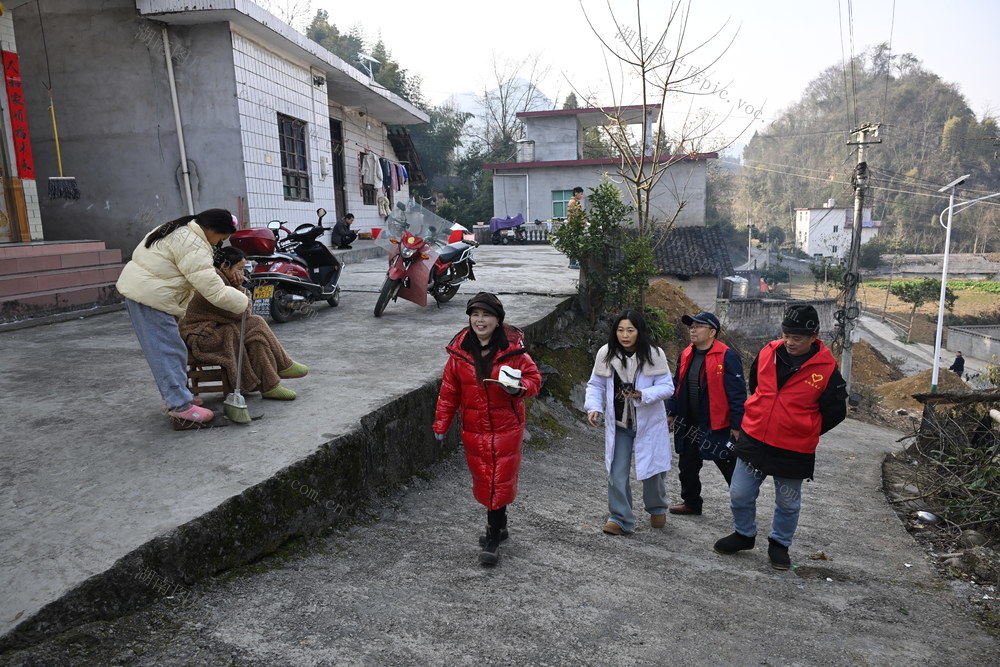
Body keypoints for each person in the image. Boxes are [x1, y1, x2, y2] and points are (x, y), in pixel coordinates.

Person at [713, 304, 847, 570]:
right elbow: (757, 387)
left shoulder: (827, 369)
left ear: (813, 337)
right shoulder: (767, 352)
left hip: (793, 447)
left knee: (787, 501)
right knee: (739, 493)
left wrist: (805, 428)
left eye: (797, 338)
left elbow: (836, 412)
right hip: (754, 438)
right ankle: (744, 534)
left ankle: (779, 544)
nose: (790, 342)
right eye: (786, 335)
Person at [432, 292, 542, 566]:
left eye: (487, 315)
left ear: (498, 320)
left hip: (506, 426)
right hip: (474, 428)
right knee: (486, 478)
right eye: (475, 315)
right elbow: (449, 392)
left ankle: (493, 536)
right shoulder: (459, 353)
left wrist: (517, 389)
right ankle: (500, 525)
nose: (480, 321)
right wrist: (441, 424)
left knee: (497, 478)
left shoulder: (512, 351)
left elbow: (534, 380)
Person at [116, 209, 249, 427]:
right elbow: (212, 289)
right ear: (213, 230)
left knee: (172, 348)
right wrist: (242, 301)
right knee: (166, 350)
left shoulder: (180, 229)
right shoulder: (193, 244)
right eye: (222, 238)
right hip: (149, 296)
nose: (219, 244)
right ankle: (180, 406)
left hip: (148, 293)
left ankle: (179, 398)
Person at [585, 309, 675, 535]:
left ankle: (657, 508)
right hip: (619, 424)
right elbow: (595, 385)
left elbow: (667, 387)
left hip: (649, 423)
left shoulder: (655, 354)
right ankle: (620, 517)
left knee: (653, 472)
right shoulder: (606, 353)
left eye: (630, 330)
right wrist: (594, 407)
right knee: (617, 472)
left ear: (639, 332)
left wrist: (641, 394)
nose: (624, 335)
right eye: (620, 330)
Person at [180, 247, 308, 401]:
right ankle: (283, 366)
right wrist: (239, 287)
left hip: (217, 329)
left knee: (256, 337)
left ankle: (269, 386)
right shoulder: (212, 283)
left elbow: (242, 311)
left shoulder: (219, 278)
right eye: (239, 268)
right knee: (255, 322)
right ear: (225, 266)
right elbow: (242, 313)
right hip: (201, 338)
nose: (242, 273)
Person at [665, 311, 746, 516]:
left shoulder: (727, 356)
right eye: (691, 326)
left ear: (712, 332)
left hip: (717, 424)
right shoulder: (686, 354)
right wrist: (671, 411)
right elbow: (677, 385)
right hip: (689, 422)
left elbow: (737, 394)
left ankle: (743, 508)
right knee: (687, 467)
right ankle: (692, 503)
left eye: (698, 326)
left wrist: (737, 426)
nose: (693, 329)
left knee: (729, 465)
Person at [566, 186, 585, 269]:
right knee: (575, 244)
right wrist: (583, 222)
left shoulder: (574, 201)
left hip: (575, 225)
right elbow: (576, 215)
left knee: (575, 244)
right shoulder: (573, 202)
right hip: (575, 226)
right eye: (580, 194)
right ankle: (573, 263)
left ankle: (573, 262)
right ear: (576, 193)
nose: (581, 196)